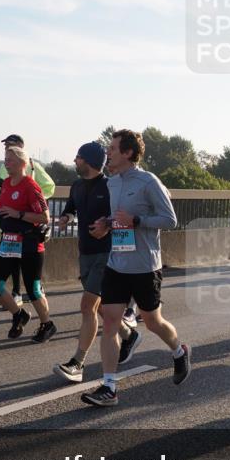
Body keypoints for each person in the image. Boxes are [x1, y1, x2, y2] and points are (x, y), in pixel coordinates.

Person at [81, 129, 190, 407]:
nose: (108, 153)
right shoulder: (113, 183)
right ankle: (109, 387)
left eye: (113, 149)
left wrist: (136, 220)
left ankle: (179, 351)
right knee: (110, 321)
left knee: (153, 321)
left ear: (128, 153)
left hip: (144, 266)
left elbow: (170, 220)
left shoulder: (148, 181)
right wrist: (106, 224)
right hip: (117, 263)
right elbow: (119, 217)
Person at [53, 142, 140, 383]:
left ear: (89, 161)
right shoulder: (77, 186)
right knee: (100, 307)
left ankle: (77, 363)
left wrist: (107, 226)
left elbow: (122, 216)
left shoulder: (110, 186)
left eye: (78, 157)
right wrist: (64, 218)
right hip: (85, 253)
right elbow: (71, 208)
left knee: (87, 306)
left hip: (106, 254)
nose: (74, 161)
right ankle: (128, 334)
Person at [0, 147, 57, 342]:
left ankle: (47, 324)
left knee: (33, 289)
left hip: (30, 244)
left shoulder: (30, 186)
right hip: (9, 242)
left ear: (22, 163)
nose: (6, 163)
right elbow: (2, 211)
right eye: (5, 159)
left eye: (10, 160)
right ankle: (19, 314)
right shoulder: (7, 184)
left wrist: (19, 214)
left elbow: (45, 217)